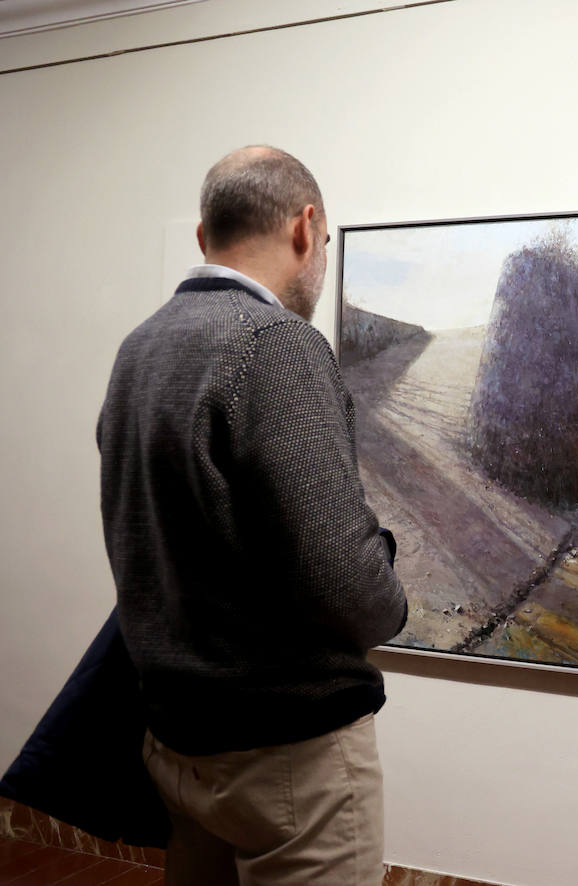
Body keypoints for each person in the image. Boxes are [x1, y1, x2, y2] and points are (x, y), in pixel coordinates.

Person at [96, 145, 408, 884]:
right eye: (326, 244)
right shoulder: (275, 345)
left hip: (178, 741)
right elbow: (343, 576)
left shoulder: (140, 348)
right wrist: (389, 597)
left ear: (205, 239)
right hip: (286, 755)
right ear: (306, 228)